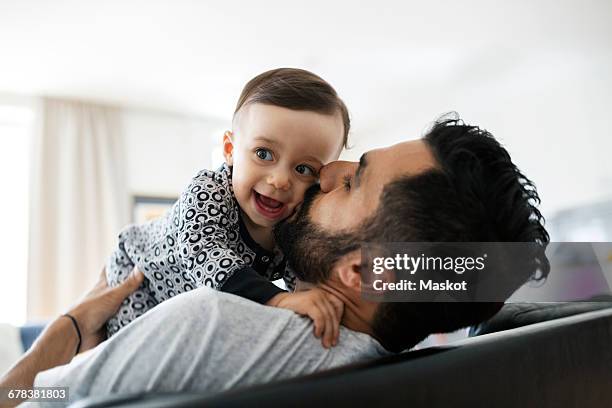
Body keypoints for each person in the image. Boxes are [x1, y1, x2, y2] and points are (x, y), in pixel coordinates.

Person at [0, 117, 549, 407]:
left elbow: (35, 401)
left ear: (361, 273)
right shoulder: (388, 365)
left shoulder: (212, 322)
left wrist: (59, 338)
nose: (328, 170)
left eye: (353, 181)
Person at [105, 68, 350, 347]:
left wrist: (316, 299)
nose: (280, 180)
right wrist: (279, 298)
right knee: (133, 349)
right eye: (264, 154)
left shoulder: (295, 220)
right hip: (139, 276)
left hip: (191, 302)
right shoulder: (208, 191)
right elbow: (204, 254)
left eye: (303, 168)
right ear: (230, 149)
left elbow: (304, 274)